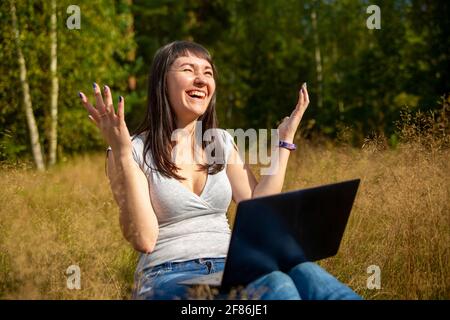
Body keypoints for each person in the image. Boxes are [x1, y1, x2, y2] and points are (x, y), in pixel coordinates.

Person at [79, 40, 361, 300]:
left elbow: (257, 206)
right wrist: (124, 153)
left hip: (235, 264)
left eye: (208, 72)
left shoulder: (221, 142)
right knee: (278, 286)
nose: (201, 79)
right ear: (161, 83)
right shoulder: (131, 150)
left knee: (310, 275)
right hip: (168, 274)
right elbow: (144, 238)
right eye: (188, 69)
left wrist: (284, 142)